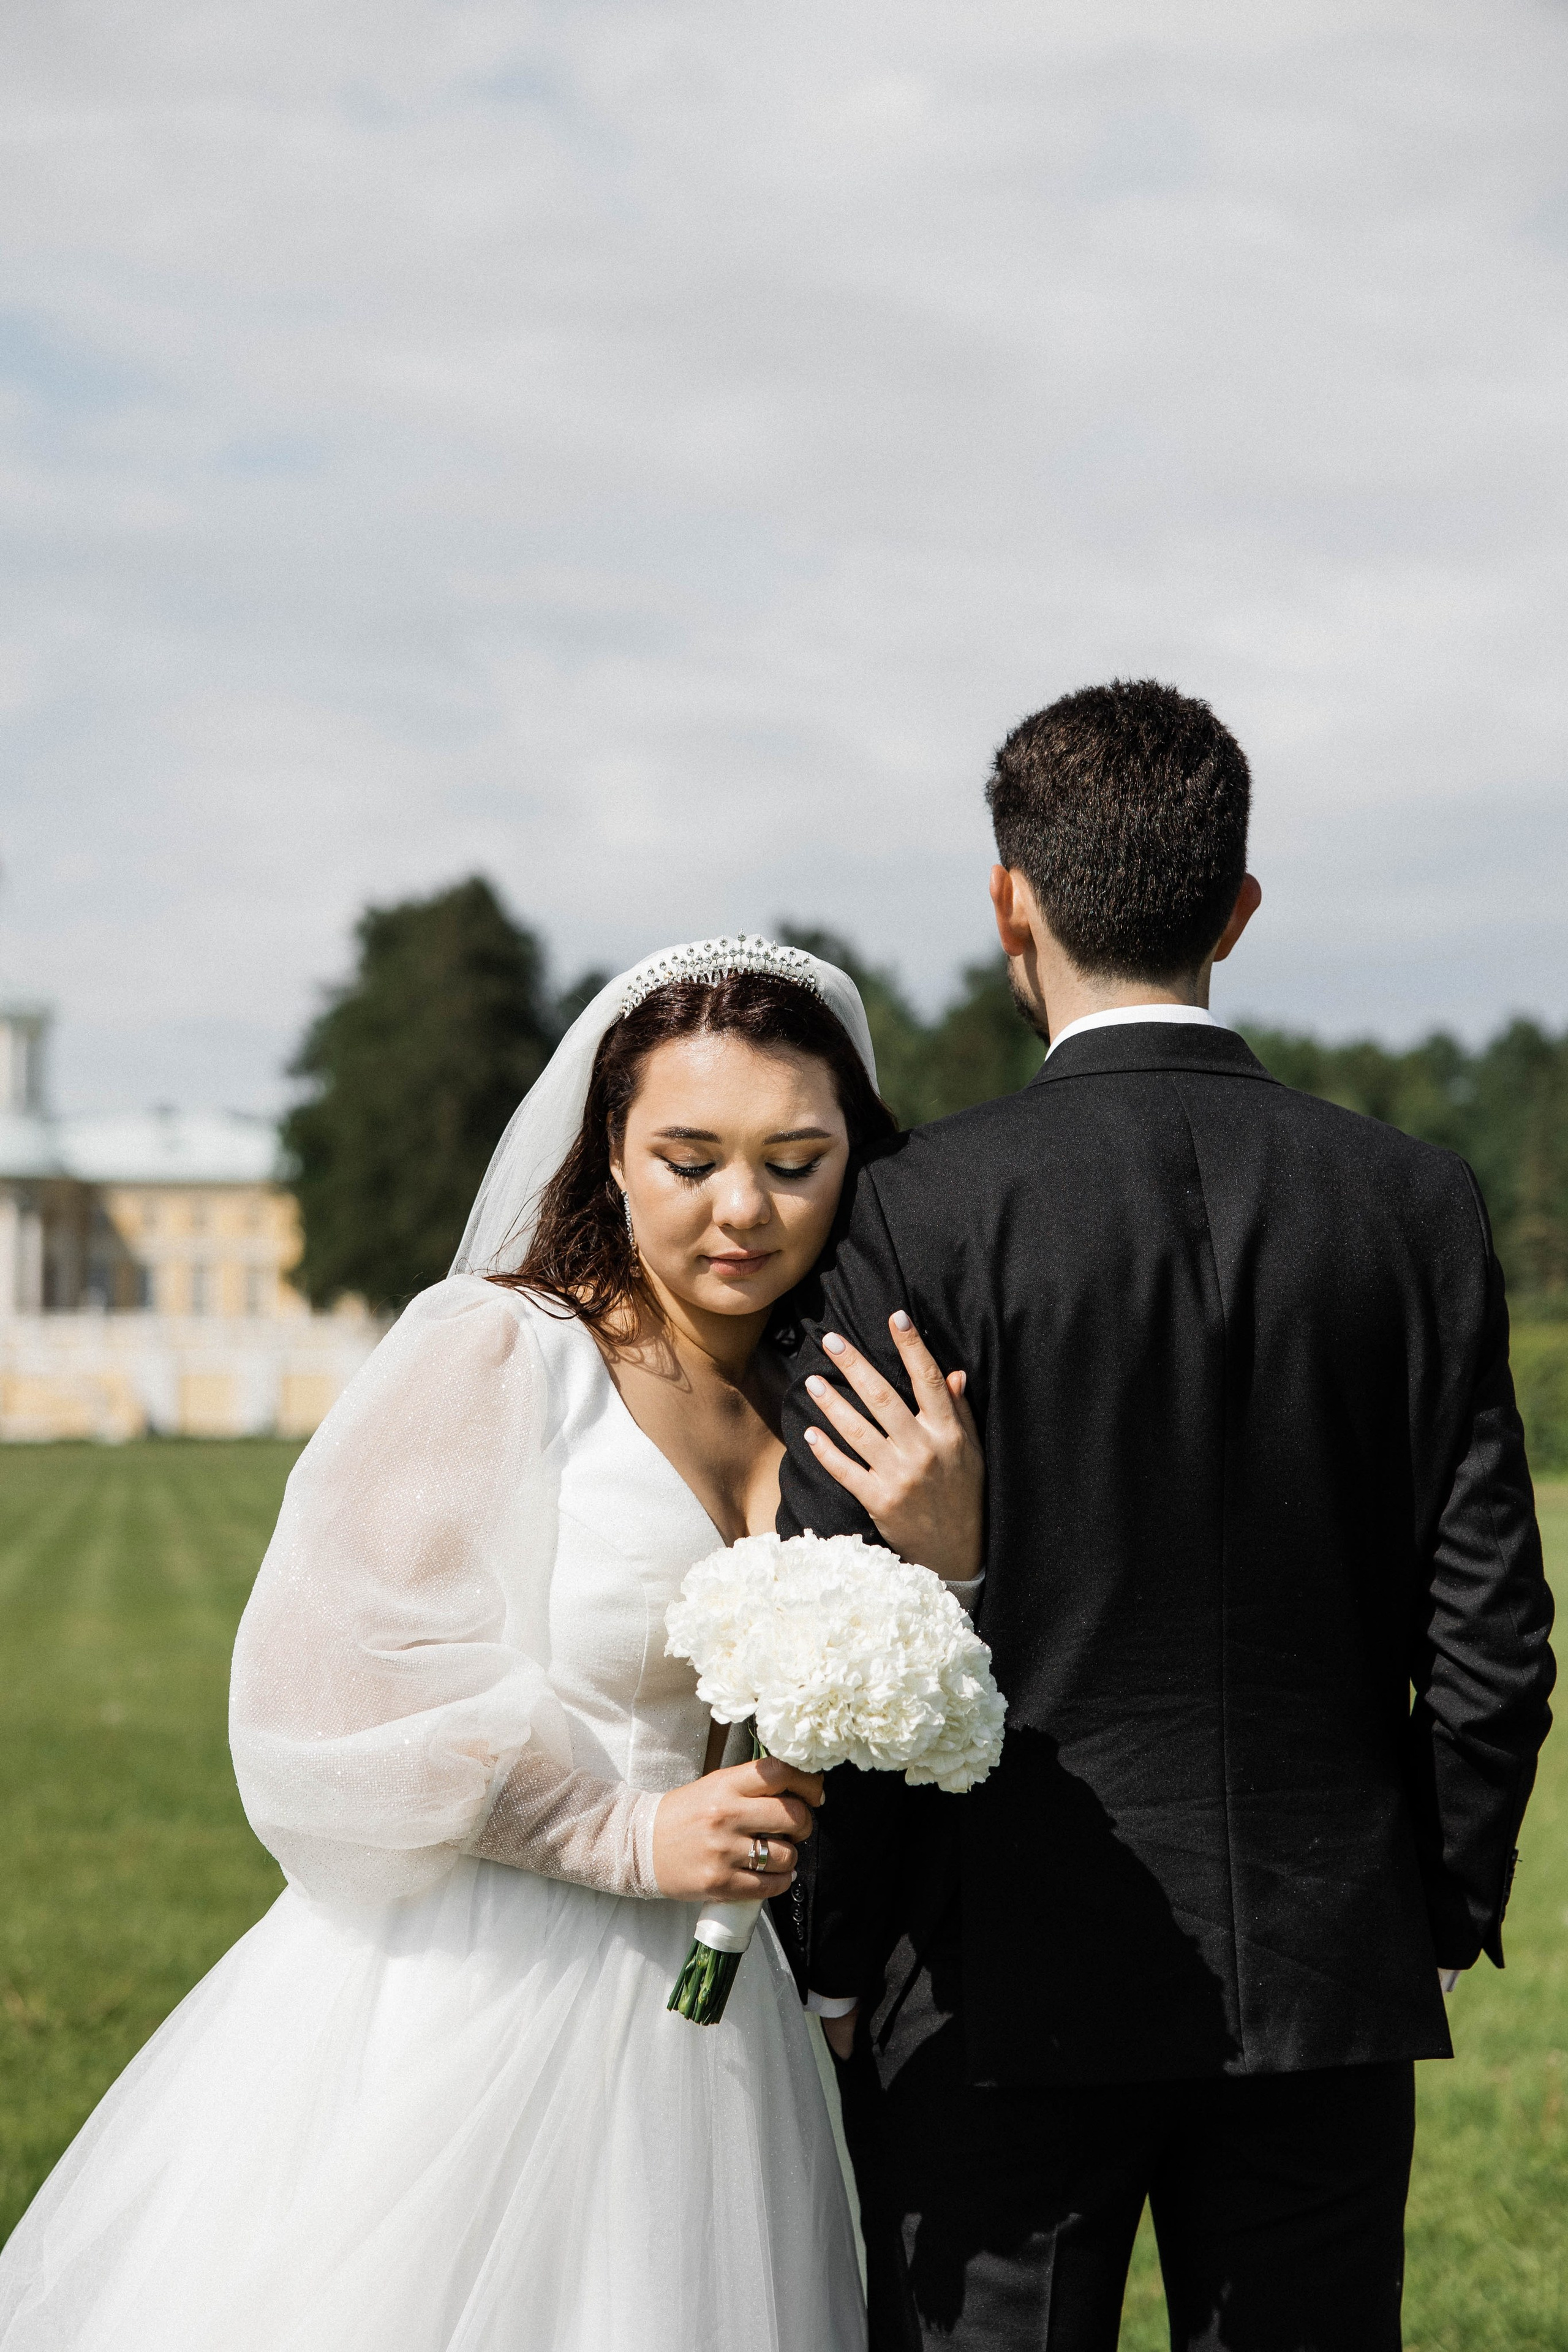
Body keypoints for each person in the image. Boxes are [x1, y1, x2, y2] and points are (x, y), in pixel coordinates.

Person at [0, 936, 987, 2352]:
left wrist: (945, 1558)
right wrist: (628, 1838)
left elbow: (901, 1720)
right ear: (608, 1154)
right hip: (482, 1984)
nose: (740, 1211)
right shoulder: (499, 1350)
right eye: (687, 1157)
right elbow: (329, 1698)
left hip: (717, 2031)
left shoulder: (834, 1406)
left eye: (793, 1160)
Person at [779, 680, 1556, 2352]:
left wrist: (831, 1958)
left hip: (982, 1982)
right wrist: (1423, 1896)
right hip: (1325, 1968)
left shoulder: (914, 1214)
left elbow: (836, 1635)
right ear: (1239, 910)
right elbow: (1490, 1629)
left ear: (1013, 904)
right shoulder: (1416, 1203)